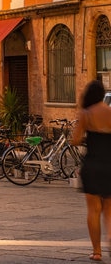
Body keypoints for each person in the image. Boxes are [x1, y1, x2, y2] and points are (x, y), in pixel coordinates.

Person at [71, 80, 111, 261]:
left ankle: (96, 251)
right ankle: (110, 237)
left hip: (93, 165)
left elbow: (75, 140)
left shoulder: (86, 114)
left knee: (93, 210)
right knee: (109, 210)